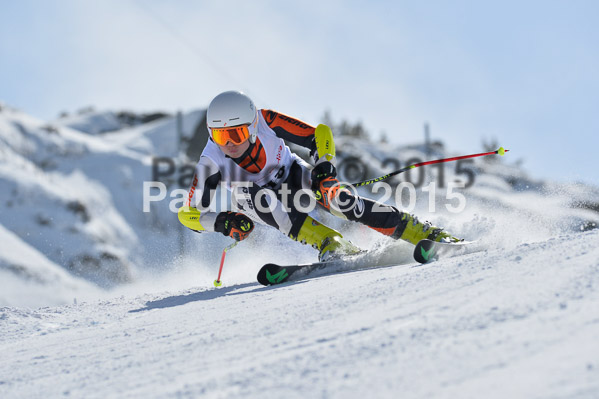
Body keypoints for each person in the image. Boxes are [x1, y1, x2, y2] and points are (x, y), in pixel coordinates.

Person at [178, 90, 460, 261]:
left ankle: (420, 231)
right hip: (253, 199)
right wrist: (223, 222)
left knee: (341, 200)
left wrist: (324, 168)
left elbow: (318, 134)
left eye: (235, 134)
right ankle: (331, 243)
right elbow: (188, 214)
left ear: (251, 128)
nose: (228, 143)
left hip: (292, 174)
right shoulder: (211, 161)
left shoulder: (266, 120)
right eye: (219, 135)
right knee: (265, 199)